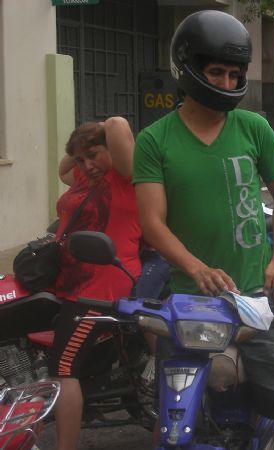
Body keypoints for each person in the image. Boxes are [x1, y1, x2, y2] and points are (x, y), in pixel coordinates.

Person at [132, 10, 274, 450]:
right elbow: (153, 224)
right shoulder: (155, 140)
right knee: (174, 417)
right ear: (188, 69)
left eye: (234, 73)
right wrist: (197, 268)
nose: (224, 81)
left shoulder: (253, 127)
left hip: (260, 301)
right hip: (194, 305)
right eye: (215, 71)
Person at [51, 117, 142, 450]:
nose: (87, 165)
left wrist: (99, 127)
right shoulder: (81, 178)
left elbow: (118, 125)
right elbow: (64, 167)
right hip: (71, 283)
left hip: (101, 288)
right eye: (81, 160)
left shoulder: (125, 178)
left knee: (63, 367)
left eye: (94, 155)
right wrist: (80, 148)